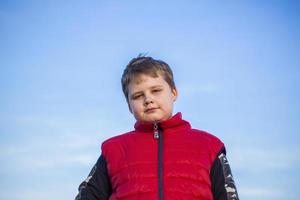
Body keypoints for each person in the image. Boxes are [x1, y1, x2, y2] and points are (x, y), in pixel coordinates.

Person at [75, 55, 239, 200]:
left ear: (174, 93)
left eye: (156, 90)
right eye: (138, 96)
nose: (148, 99)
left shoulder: (209, 145)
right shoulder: (113, 150)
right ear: (129, 106)